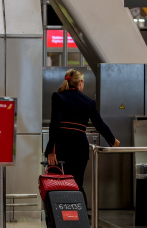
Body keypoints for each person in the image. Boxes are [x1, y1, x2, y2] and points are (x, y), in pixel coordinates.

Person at [45, 68, 120, 201]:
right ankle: (79, 216)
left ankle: (62, 216)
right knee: (77, 183)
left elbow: (55, 124)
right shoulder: (89, 102)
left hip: (62, 147)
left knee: (61, 183)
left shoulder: (58, 96)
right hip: (80, 148)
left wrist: (51, 150)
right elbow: (99, 124)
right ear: (80, 82)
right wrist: (112, 140)